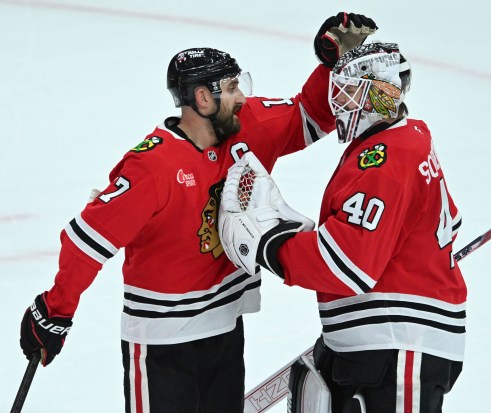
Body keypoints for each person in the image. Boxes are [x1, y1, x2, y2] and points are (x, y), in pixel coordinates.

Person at [18, 13, 378, 413]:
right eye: (231, 88)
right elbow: (86, 241)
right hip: (161, 347)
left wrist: (332, 63)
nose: (242, 96)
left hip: (225, 332)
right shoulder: (152, 166)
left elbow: (309, 114)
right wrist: (55, 311)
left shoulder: (247, 128)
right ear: (202, 99)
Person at [219, 42, 466, 413]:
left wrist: (271, 245)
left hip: (399, 344)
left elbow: (347, 265)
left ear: (379, 95)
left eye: (348, 92)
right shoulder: (405, 136)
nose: (338, 104)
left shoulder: (385, 159)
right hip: (380, 341)